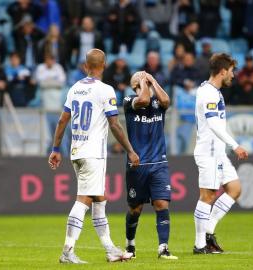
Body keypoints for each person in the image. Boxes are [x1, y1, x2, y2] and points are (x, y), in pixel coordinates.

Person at [48, 49, 139, 263]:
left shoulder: (75, 88)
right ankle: (67, 251)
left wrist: (55, 149)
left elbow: (63, 120)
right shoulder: (106, 90)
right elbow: (114, 124)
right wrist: (131, 150)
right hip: (93, 154)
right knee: (84, 200)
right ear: (104, 65)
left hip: (76, 151)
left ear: (86, 66)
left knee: (100, 198)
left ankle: (111, 250)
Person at [193, 53, 248, 254]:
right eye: (232, 71)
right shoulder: (208, 93)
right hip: (209, 152)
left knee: (234, 189)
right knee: (207, 196)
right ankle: (200, 245)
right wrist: (235, 145)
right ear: (223, 71)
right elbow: (214, 124)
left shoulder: (213, 91)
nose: (233, 75)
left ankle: (208, 233)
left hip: (218, 152)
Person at [123, 71, 178, 260]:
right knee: (135, 209)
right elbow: (144, 100)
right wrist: (142, 84)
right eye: (141, 80)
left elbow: (166, 101)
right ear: (134, 86)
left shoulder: (158, 103)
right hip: (137, 165)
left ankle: (163, 248)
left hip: (158, 163)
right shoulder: (129, 100)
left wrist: (153, 80)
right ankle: (130, 246)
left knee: (162, 204)